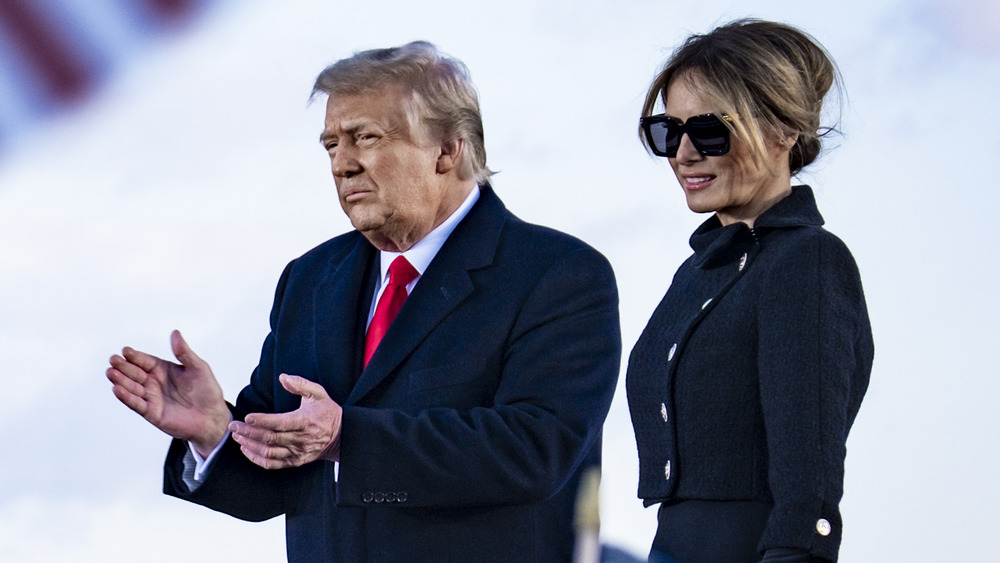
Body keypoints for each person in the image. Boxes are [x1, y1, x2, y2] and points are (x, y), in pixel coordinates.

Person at [106, 41, 621, 562]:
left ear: (448, 148)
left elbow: (534, 451)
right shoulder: (309, 281)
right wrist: (216, 431)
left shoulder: (556, 273)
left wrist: (347, 439)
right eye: (331, 145)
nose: (342, 165)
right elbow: (278, 482)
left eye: (365, 138)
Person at [626, 19, 873, 563]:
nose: (684, 153)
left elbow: (809, 477)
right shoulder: (697, 273)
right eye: (667, 132)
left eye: (710, 131)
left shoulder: (806, 261)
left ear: (783, 130)